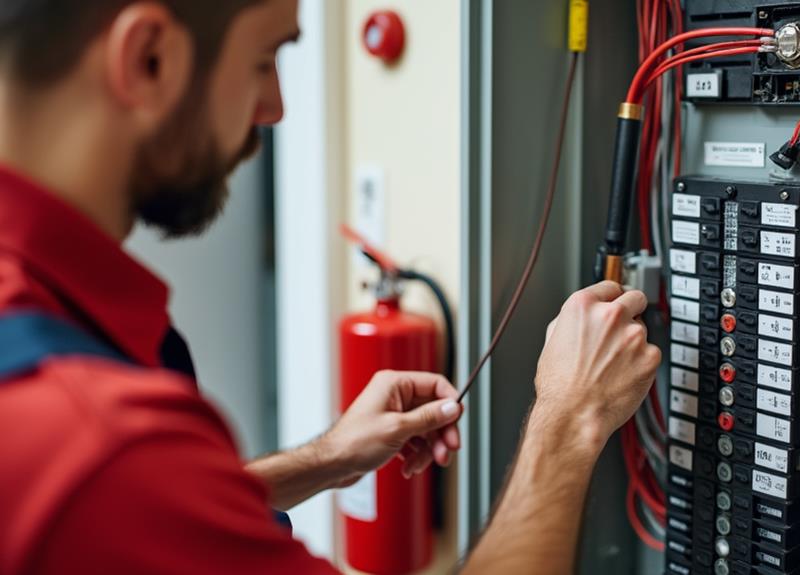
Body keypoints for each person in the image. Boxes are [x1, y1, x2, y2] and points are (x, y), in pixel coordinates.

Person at [0, 1, 661, 574]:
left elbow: (136, 514)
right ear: (148, 57)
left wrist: (327, 458)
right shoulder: (94, 441)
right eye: (265, 59)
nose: (276, 108)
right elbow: (120, 486)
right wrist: (570, 416)